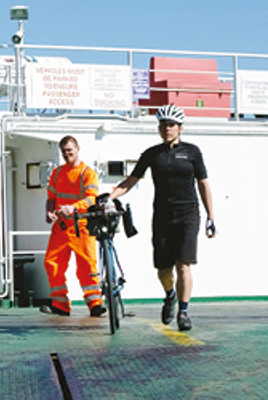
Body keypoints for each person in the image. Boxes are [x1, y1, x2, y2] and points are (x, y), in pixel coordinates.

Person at [110, 105, 216, 332]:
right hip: (162, 216)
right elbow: (131, 180)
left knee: (184, 265)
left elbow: (203, 183)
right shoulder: (152, 154)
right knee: (163, 269)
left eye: (171, 125)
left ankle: (184, 312)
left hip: (188, 213)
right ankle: (170, 296)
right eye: (163, 125)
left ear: (180, 128)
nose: (166, 129)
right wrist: (110, 196)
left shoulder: (192, 152)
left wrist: (211, 217)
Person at [39, 135, 104, 317]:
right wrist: (49, 212)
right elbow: (51, 199)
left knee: (87, 266)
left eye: (70, 150)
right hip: (61, 227)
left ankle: (95, 303)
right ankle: (60, 304)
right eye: (64, 152)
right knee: (52, 264)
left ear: (77, 149)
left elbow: (92, 198)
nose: (67, 154)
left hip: (82, 226)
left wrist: (74, 207)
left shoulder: (87, 173)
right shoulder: (57, 173)